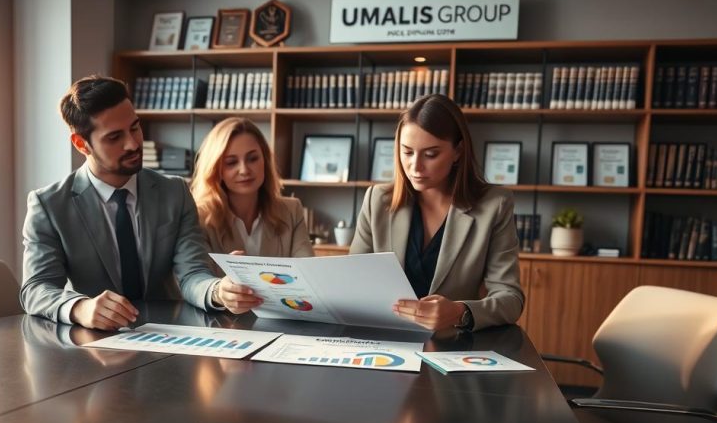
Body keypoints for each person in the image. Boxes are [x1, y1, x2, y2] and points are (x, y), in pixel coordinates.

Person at [20, 75, 261, 330]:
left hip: (166, 337)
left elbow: (192, 274)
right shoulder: (49, 206)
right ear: (82, 144)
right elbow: (36, 288)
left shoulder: (174, 193)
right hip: (92, 341)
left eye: (135, 127)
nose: (133, 144)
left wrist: (217, 291)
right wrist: (80, 307)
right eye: (114, 137)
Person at [350, 94, 524, 331]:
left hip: (453, 343)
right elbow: (353, 282)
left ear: (458, 151)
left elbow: (510, 298)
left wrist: (459, 312)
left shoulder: (495, 205)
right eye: (407, 152)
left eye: (431, 154)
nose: (416, 167)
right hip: (385, 338)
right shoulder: (376, 200)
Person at [190, 117, 313, 271]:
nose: (244, 170)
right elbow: (197, 280)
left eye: (252, 159)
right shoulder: (198, 217)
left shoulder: (291, 211)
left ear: (265, 160)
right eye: (231, 162)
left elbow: (308, 273)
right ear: (216, 169)